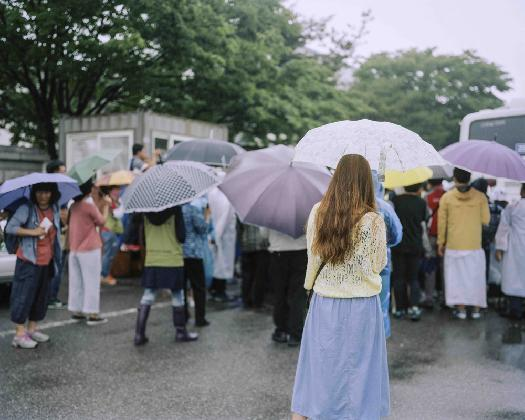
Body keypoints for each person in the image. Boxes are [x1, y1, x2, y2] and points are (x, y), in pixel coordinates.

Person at [291, 154, 389, 420]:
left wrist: (310, 284)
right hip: (362, 303)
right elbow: (378, 264)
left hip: (325, 301)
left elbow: (314, 258)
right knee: (360, 371)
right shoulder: (373, 220)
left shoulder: (318, 211)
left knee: (319, 367)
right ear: (366, 181)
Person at [6, 183, 62, 349]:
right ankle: (19, 335)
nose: (43, 195)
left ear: (53, 194)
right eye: (39, 192)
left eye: (47, 192)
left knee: (40, 296)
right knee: (23, 296)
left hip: (47, 260)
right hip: (28, 260)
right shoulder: (27, 208)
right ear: (34, 193)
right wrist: (33, 232)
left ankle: (31, 329)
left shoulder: (55, 208)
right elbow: (11, 228)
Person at [133, 206, 198, 345]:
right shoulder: (175, 208)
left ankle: (139, 334)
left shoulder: (145, 209)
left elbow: (143, 238)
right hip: (172, 258)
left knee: (148, 294)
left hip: (153, 258)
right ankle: (180, 332)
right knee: (177, 294)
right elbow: (181, 236)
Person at [438, 168, 490, 320]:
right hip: (474, 244)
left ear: (454, 178)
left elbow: (442, 224)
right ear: (469, 177)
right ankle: (476, 310)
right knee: (475, 278)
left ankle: (460, 309)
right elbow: (485, 220)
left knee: (456, 278)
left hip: (454, 245)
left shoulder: (447, 197)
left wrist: (441, 243)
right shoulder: (481, 197)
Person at [68, 179, 110, 325]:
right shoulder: (89, 205)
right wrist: (106, 207)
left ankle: (77, 310)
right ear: (88, 189)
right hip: (89, 249)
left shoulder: (73, 205)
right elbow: (102, 222)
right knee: (92, 281)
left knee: (76, 281)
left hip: (74, 249)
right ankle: (93, 314)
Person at [391, 183, 428, 321]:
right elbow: (424, 223)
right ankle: (414, 307)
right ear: (418, 188)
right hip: (415, 245)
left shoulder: (395, 201)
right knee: (413, 278)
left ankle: (400, 309)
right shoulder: (421, 203)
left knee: (399, 277)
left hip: (398, 245)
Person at [372, 171, 402, 338]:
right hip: (382, 264)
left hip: (353, 269)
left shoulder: (345, 204)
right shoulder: (384, 206)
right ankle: (380, 342)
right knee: (381, 306)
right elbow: (397, 236)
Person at [495, 184, 525, 320]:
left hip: (515, 247)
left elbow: (503, 228)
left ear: (522, 191)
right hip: (517, 247)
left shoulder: (513, 207)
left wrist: (500, 248)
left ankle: (515, 310)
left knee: (514, 278)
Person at [182, 200, 211, 327]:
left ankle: (183, 316)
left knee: (181, 288)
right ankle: (200, 318)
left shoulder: (175, 211)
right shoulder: (192, 210)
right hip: (193, 253)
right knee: (198, 287)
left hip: (179, 254)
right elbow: (203, 228)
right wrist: (206, 216)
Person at [46, 159, 68, 309]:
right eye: (62, 171)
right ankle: (51, 298)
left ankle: (47, 297)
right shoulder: (57, 190)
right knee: (57, 265)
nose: (64, 174)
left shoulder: (43, 188)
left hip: (48, 232)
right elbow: (62, 213)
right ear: (54, 173)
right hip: (54, 233)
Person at [208, 187, 237, 302]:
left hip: (215, 233)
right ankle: (220, 291)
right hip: (224, 235)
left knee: (216, 263)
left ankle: (214, 289)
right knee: (223, 264)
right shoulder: (228, 196)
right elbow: (225, 218)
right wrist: (217, 235)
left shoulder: (211, 192)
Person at [423, 179, 446, 308]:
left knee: (430, 267)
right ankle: (445, 297)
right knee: (445, 268)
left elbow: (425, 217)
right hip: (445, 237)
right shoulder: (448, 195)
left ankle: (429, 298)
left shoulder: (427, 197)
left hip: (430, 235)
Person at [240, 223, 269, 309]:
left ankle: (246, 300)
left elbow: (239, 229)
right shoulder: (264, 213)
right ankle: (257, 302)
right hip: (261, 246)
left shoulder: (244, 212)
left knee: (247, 275)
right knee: (259, 277)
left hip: (246, 246)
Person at [100, 186, 124, 286]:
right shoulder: (107, 200)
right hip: (107, 230)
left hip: (113, 230)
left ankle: (106, 274)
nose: (117, 192)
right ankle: (104, 275)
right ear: (110, 191)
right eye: (115, 190)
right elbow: (116, 214)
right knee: (107, 254)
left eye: (118, 190)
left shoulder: (117, 200)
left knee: (110, 254)